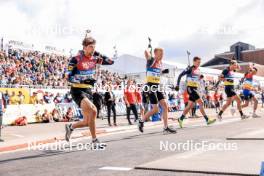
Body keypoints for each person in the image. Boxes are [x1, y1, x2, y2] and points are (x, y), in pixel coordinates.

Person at [65, 36, 114, 146]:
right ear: (84, 47)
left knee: (87, 121)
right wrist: (82, 79)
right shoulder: (76, 59)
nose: (92, 49)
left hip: (88, 90)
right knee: (94, 110)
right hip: (77, 90)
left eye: (94, 47)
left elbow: (111, 62)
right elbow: (67, 76)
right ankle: (94, 140)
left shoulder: (95, 58)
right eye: (91, 47)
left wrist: (99, 53)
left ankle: (70, 127)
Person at [138, 48, 176, 134]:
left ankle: (166, 128)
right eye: (160, 54)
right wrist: (149, 48)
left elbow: (156, 72)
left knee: (165, 106)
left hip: (157, 86)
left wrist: (163, 72)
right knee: (155, 109)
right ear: (155, 53)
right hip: (150, 85)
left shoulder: (160, 63)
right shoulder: (151, 60)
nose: (162, 56)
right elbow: (145, 52)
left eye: (163, 54)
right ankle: (141, 121)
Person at [175, 56, 216, 128]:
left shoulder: (198, 69)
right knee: (201, 102)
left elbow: (197, 79)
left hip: (195, 88)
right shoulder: (190, 68)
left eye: (200, 62)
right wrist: (177, 85)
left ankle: (180, 119)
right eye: (198, 62)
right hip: (190, 88)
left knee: (189, 106)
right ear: (194, 62)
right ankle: (207, 120)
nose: (199, 64)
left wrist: (200, 78)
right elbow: (180, 75)